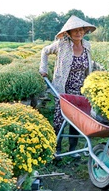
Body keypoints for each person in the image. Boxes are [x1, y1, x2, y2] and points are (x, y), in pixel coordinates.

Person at [39, 15, 98, 158]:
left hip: (81, 89)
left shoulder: (87, 45)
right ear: (69, 33)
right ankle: (56, 149)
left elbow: (89, 64)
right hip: (63, 89)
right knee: (60, 119)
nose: (79, 33)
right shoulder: (61, 44)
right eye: (75, 30)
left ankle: (73, 150)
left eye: (81, 30)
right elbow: (44, 51)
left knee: (77, 120)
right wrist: (43, 68)